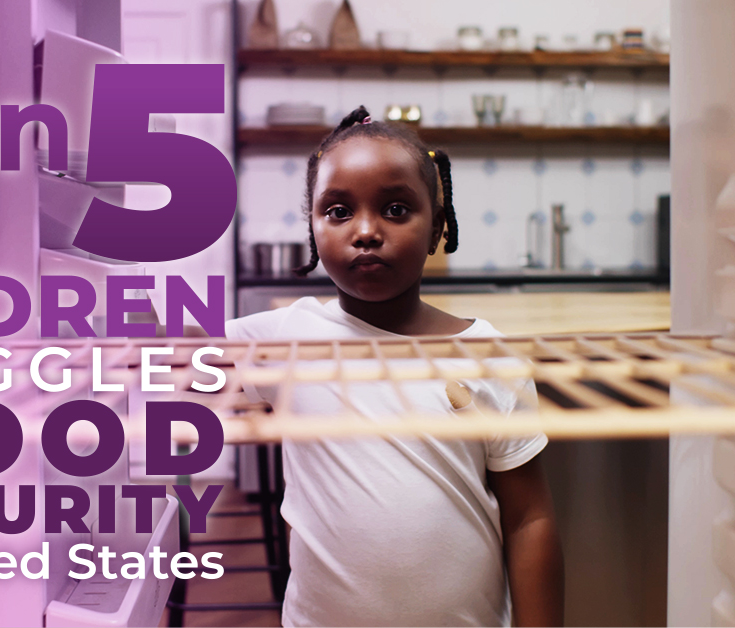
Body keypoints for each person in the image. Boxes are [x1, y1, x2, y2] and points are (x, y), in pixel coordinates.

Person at [225, 106, 564, 626]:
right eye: (338, 211)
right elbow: (168, 348)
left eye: (396, 209)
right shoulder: (286, 335)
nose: (365, 230)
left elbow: (530, 519)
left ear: (437, 230)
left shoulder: (486, 353)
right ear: (313, 230)